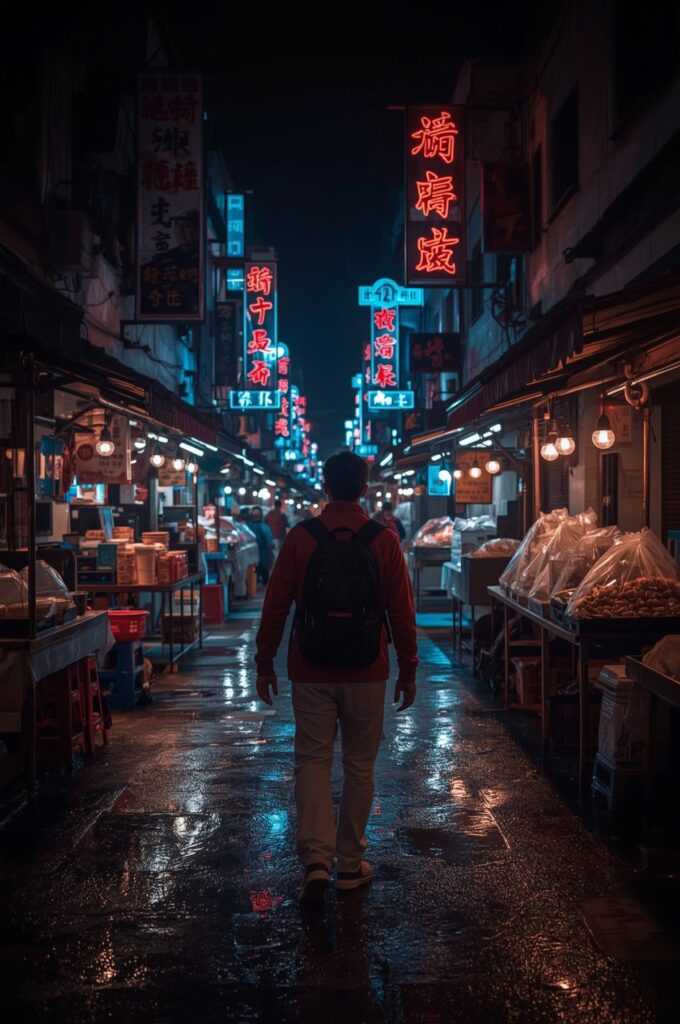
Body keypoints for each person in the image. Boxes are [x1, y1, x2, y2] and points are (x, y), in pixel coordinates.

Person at [255, 451, 418, 904]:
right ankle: (350, 863)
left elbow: (276, 605)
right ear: (363, 488)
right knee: (360, 765)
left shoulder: (300, 538)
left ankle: (316, 863)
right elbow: (402, 612)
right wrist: (409, 668)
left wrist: (263, 661)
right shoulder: (383, 540)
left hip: (310, 667)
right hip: (368, 669)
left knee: (312, 759)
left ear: (324, 486)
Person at [248, 506, 274, 586]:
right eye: (253, 515)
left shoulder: (264, 527)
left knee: (264, 574)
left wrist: (270, 556)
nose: (255, 517)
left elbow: (269, 543)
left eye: (256, 515)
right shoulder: (248, 526)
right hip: (251, 555)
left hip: (262, 555)